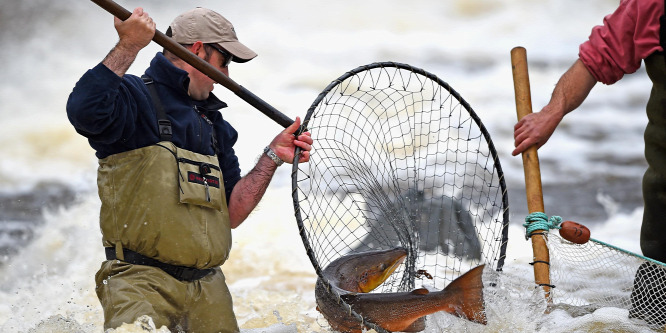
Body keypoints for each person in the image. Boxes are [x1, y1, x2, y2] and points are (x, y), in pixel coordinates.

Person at [66, 7, 313, 333]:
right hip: (140, 281)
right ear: (198, 50)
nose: (227, 74)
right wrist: (129, 45)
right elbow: (84, 110)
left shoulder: (215, 126)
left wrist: (273, 156)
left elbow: (232, 213)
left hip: (207, 287)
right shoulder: (134, 99)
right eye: (224, 61)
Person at [512, 0, 666, 326]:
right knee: (651, 320)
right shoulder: (651, 5)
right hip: (664, 197)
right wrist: (551, 112)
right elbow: (597, 57)